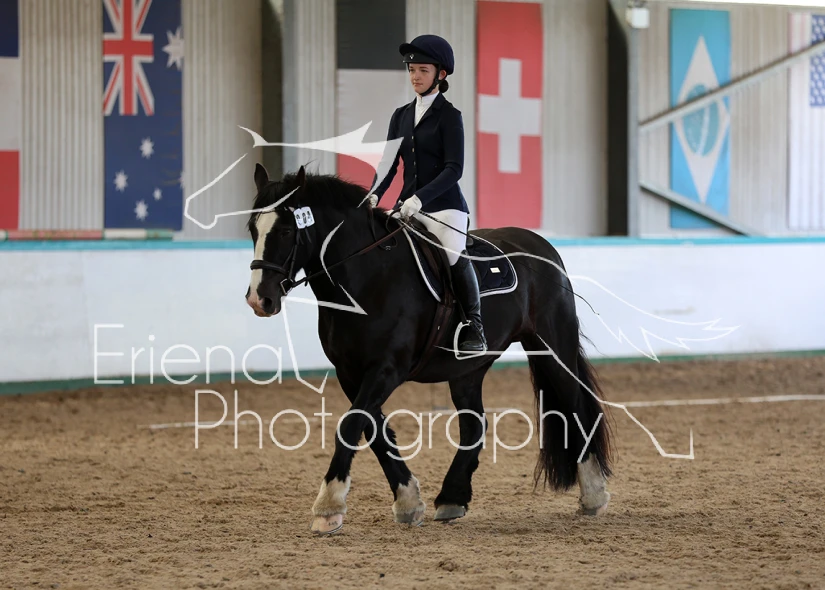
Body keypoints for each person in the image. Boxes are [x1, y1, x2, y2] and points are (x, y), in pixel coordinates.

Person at [367, 34, 487, 355]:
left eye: (422, 70)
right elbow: (389, 163)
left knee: (452, 253)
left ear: (440, 74)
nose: (415, 77)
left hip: (445, 208)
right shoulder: (400, 115)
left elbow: (454, 169)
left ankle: (474, 324)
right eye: (411, 70)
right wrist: (374, 195)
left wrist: (420, 198)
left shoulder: (450, 116)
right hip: (407, 206)